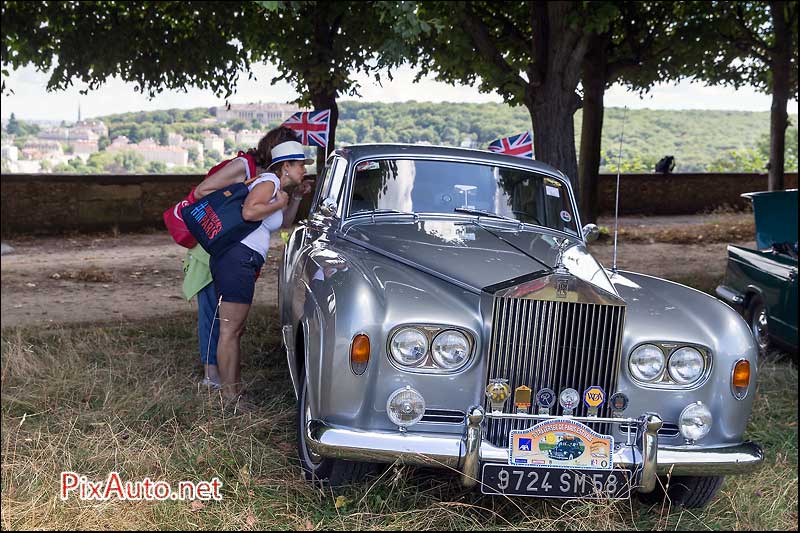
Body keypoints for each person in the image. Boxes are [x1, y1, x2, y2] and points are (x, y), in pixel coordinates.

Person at [201, 134, 314, 406]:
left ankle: (232, 390)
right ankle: (230, 396)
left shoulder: (278, 188)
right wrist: (278, 202)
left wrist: (294, 199)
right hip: (237, 259)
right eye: (300, 165)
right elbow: (250, 213)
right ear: (285, 166)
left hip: (242, 259)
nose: (304, 170)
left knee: (234, 329)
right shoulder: (269, 182)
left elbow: (282, 221)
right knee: (231, 330)